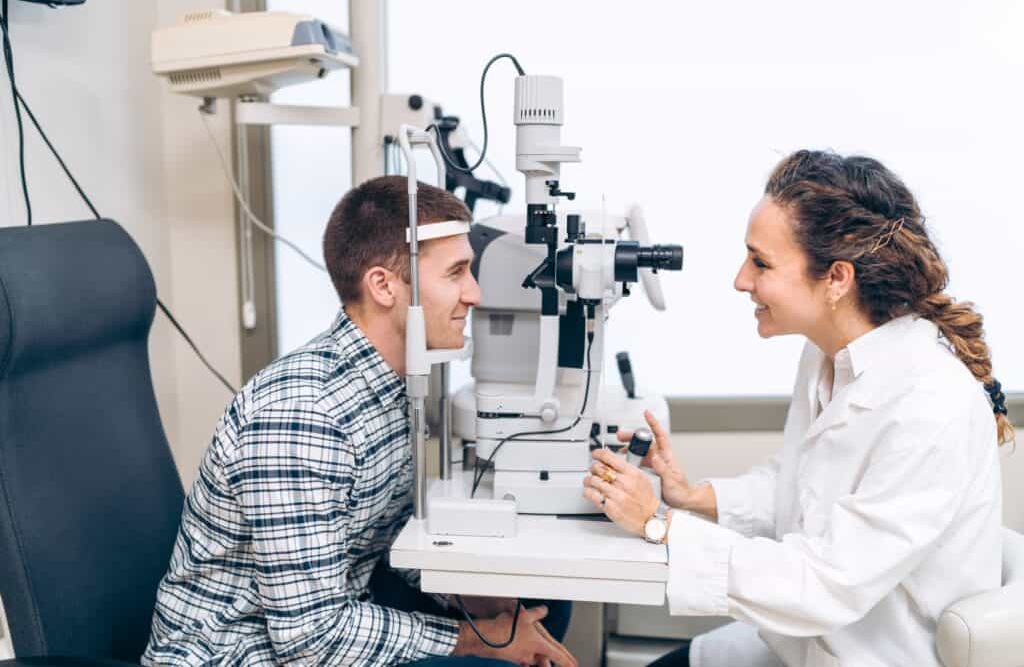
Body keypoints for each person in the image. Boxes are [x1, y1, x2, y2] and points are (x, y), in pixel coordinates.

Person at [584, 151, 1011, 666]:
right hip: (796, 646)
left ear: (836, 278)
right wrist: (694, 496)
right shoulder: (827, 353)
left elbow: (827, 584)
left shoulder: (930, 403)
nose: (741, 280)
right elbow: (802, 484)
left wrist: (659, 525)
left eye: (761, 262)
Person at [143, 176, 576, 666]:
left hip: (344, 605)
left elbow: (382, 538)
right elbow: (310, 643)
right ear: (384, 285)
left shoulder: (398, 386)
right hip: (246, 653)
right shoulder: (304, 419)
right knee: (490, 659)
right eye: (456, 274)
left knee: (541, 605)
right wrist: (479, 638)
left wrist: (473, 601)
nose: (475, 294)